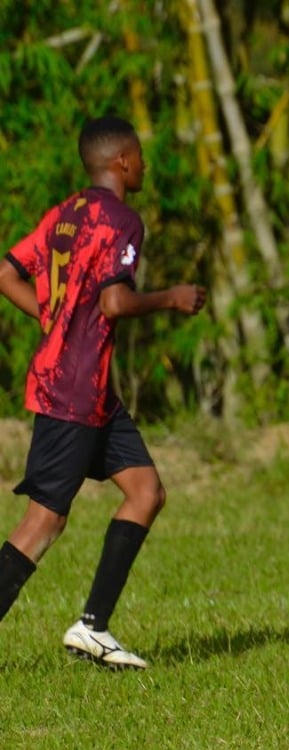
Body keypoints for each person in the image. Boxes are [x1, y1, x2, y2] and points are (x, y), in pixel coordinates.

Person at [0, 115, 206, 670]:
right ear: (120, 161)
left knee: (146, 491)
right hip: (71, 390)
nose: (143, 164)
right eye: (139, 154)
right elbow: (115, 303)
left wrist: (53, 316)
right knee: (44, 522)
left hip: (88, 391)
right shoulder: (123, 220)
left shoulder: (66, 213)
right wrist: (172, 298)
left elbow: (6, 272)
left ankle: (93, 627)